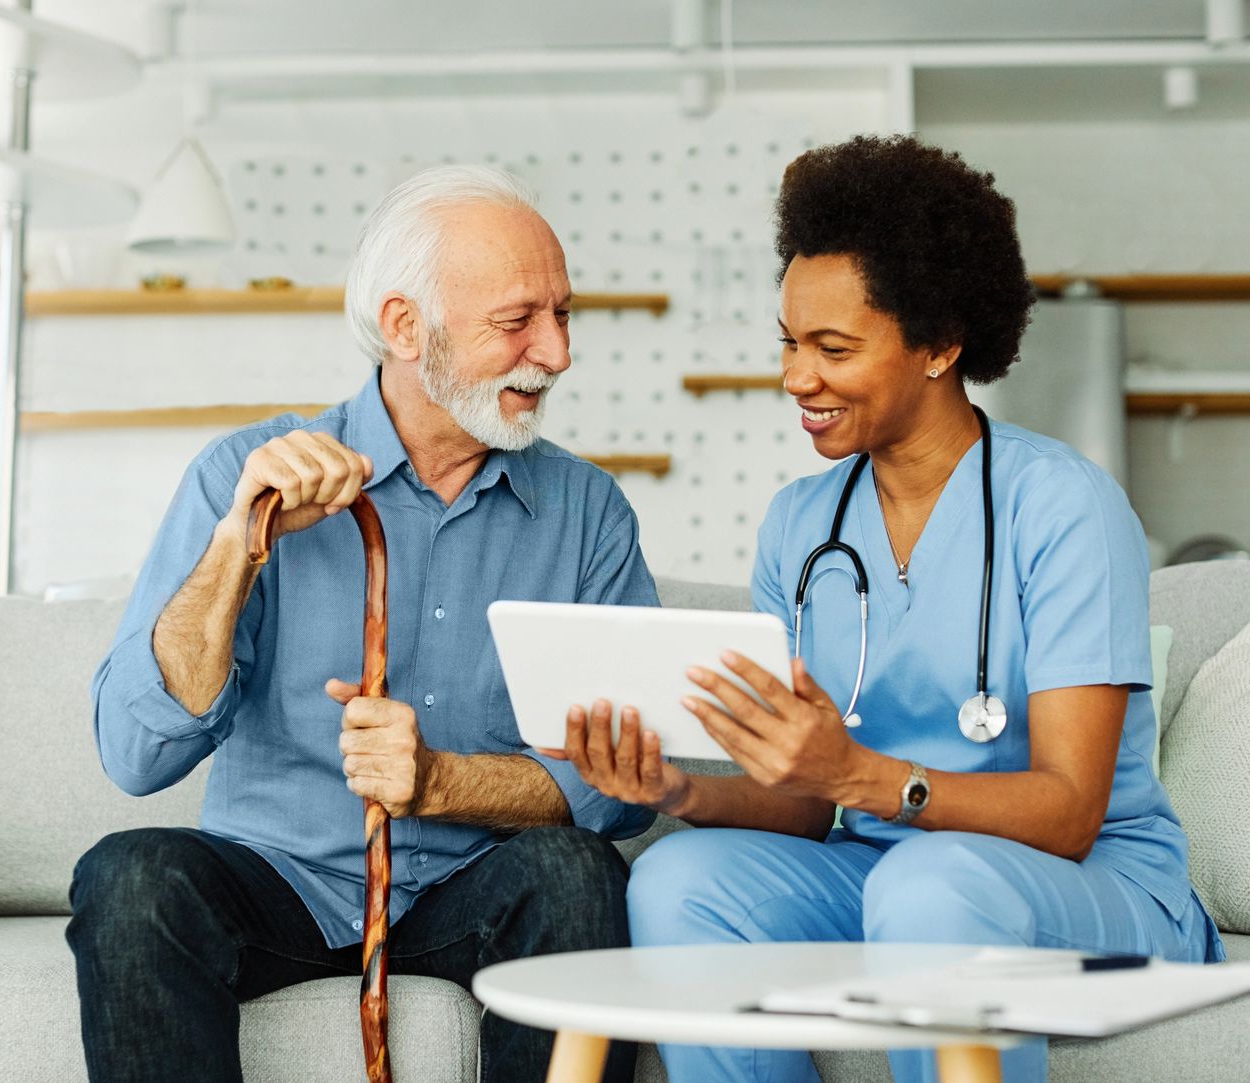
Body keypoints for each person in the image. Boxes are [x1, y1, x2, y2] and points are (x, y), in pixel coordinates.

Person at [552, 135, 1224, 1083]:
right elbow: (803, 802)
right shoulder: (801, 523)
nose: (796, 378)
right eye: (788, 342)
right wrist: (676, 791)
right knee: (678, 879)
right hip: (885, 868)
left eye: (834, 349)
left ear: (942, 344)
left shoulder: (1062, 504)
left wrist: (865, 777)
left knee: (930, 880)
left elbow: (1071, 811)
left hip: (1093, 883)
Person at [66, 165, 657, 1083]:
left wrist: (441, 782)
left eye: (563, 315)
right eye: (518, 322)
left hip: (475, 893)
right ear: (404, 326)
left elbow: (625, 790)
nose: (557, 353)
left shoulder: (588, 513)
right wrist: (240, 545)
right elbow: (136, 755)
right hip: (282, 883)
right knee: (133, 877)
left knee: (577, 873)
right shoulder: (243, 470)